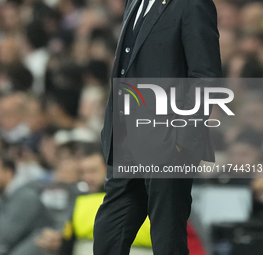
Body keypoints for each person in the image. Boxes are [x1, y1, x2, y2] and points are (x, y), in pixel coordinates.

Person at [94, 0, 222, 255]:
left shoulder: (193, 4)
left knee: (167, 240)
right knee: (108, 234)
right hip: (125, 139)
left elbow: (206, 77)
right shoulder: (134, 2)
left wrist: (182, 140)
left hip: (168, 142)